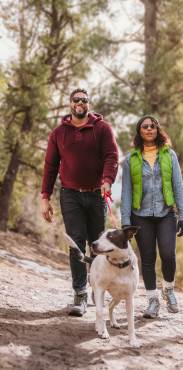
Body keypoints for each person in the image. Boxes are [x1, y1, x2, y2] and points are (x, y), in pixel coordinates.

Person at [40, 88, 119, 316]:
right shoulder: (58, 133)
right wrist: (45, 197)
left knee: (97, 245)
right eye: (76, 100)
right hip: (70, 194)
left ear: (88, 104)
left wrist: (107, 180)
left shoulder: (102, 129)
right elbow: (50, 166)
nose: (80, 103)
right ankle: (79, 294)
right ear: (70, 104)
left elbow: (111, 156)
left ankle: (97, 288)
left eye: (84, 100)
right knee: (75, 242)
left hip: (96, 194)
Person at [121, 115, 183, 318]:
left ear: (157, 130)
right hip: (140, 215)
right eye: (145, 127)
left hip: (165, 212)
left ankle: (168, 289)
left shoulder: (169, 155)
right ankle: (152, 300)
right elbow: (126, 193)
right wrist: (126, 221)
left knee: (168, 254)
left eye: (152, 126)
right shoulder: (130, 159)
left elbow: (178, 186)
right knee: (148, 258)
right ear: (139, 131)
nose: (149, 129)